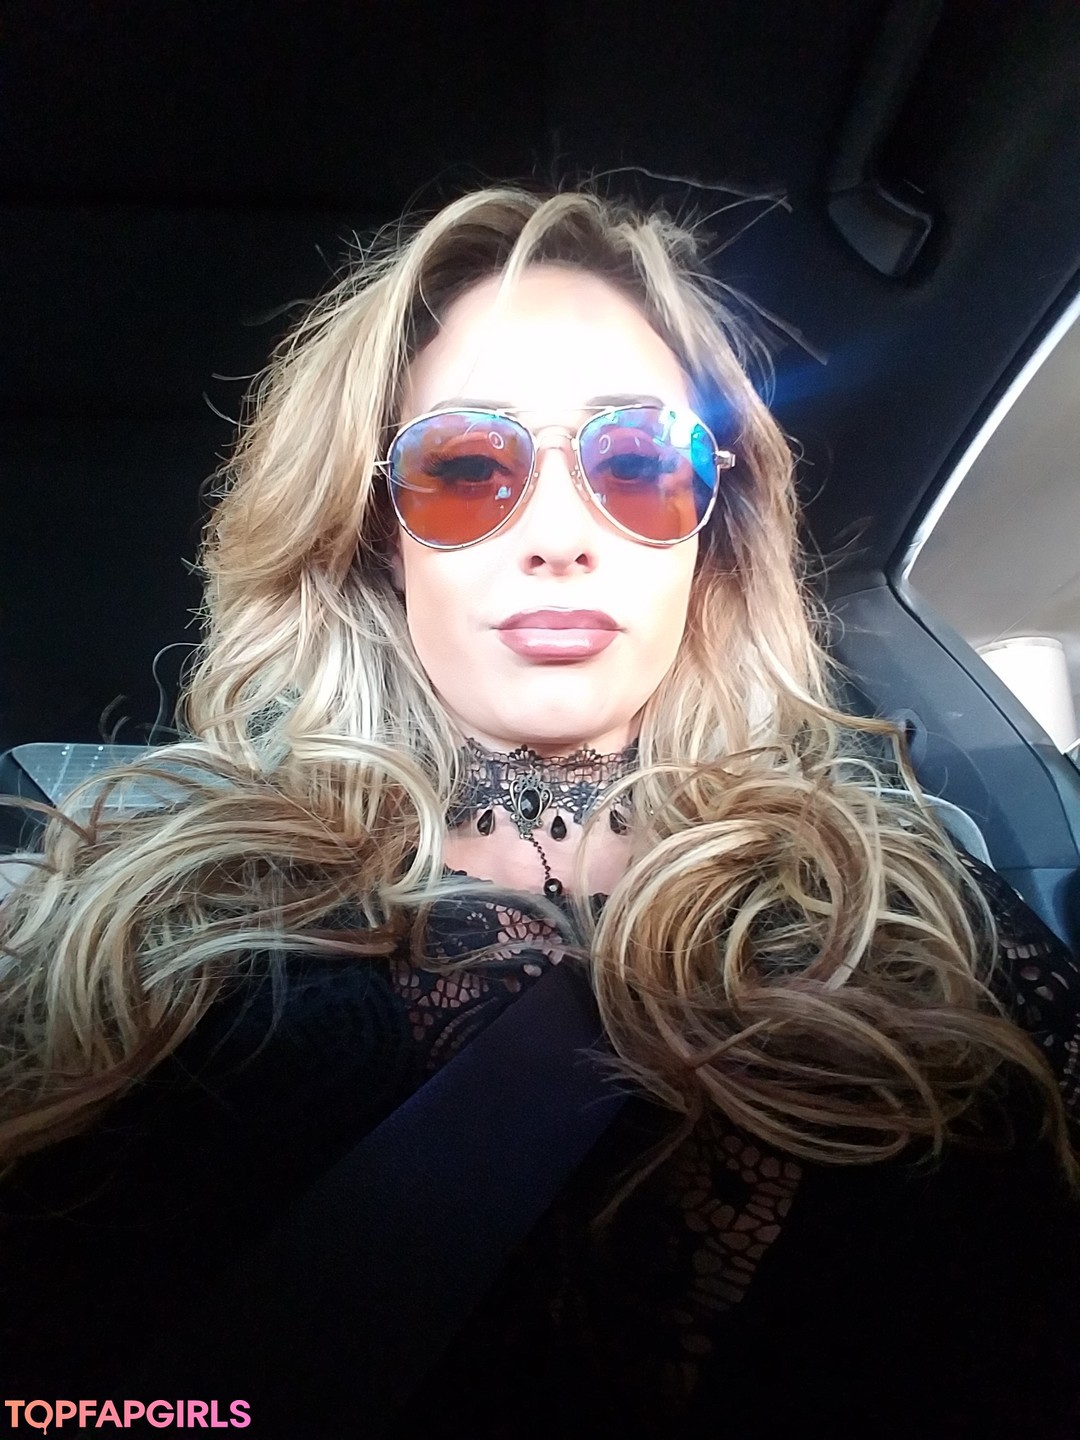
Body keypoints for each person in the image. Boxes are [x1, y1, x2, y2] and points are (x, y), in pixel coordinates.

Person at [1, 183, 1078, 1440]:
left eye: (637, 463)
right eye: (466, 468)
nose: (561, 536)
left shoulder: (906, 903)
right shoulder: (152, 899)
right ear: (376, 533)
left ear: (713, 532)